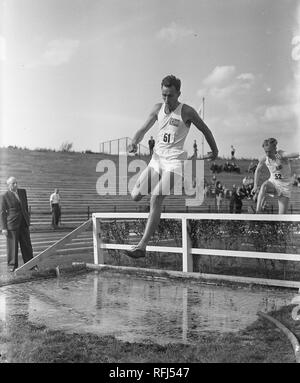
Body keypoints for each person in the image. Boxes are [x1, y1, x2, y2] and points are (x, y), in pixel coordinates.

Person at [125, 75, 218, 258]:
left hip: (175, 163)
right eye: (164, 95)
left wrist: (214, 151)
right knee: (135, 196)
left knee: (156, 198)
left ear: (178, 94)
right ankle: (158, 186)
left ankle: (142, 246)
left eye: (170, 96)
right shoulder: (158, 108)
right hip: (157, 160)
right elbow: (143, 129)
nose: (167, 100)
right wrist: (134, 142)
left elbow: (205, 130)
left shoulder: (187, 112)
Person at [252, 138, 299, 214]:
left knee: (281, 218)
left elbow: (291, 154)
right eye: (266, 151)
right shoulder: (264, 158)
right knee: (264, 186)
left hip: (284, 187)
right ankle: (258, 211)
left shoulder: (280, 155)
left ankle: (278, 221)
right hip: (273, 183)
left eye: (269, 152)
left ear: (275, 149)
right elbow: (257, 170)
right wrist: (255, 185)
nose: (267, 154)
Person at [0, 177, 35, 272]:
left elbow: (26, 207)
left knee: (27, 245)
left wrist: (28, 220)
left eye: (16, 183)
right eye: (13, 184)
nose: (15, 185)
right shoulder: (4, 196)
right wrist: (4, 228)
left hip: (23, 223)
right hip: (12, 224)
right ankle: (12, 265)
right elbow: (2, 212)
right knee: (12, 247)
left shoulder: (23, 192)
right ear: (8, 185)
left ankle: (30, 264)